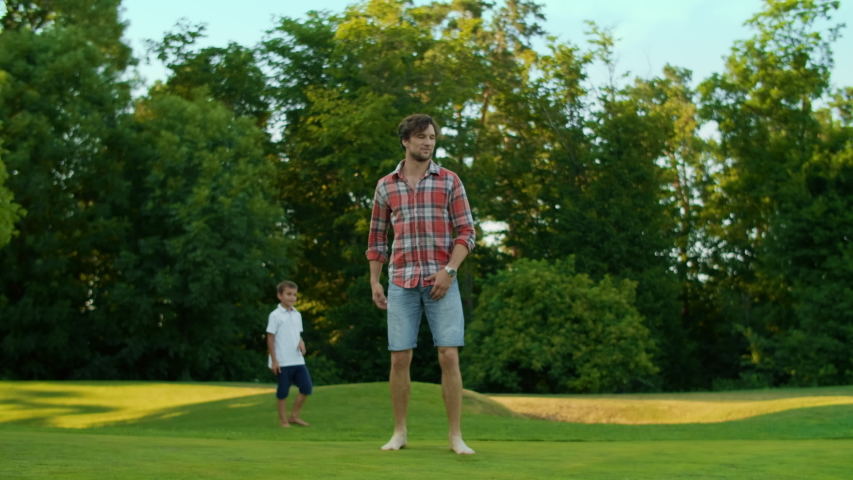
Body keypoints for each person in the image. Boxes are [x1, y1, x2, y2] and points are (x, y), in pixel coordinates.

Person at [366, 113, 476, 455]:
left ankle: (456, 436)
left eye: (431, 137)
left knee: (448, 356)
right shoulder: (386, 185)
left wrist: (450, 271)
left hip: (441, 281)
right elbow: (376, 238)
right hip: (400, 281)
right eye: (421, 137)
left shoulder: (449, 181)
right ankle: (399, 433)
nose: (428, 142)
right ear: (406, 141)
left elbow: (467, 232)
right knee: (399, 359)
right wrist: (374, 280)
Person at [266, 280, 312, 427]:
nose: (292, 297)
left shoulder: (297, 314)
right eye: (288, 294)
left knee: (306, 387)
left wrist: (302, 342)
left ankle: (294, 416)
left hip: (297, 359)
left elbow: (297, 333)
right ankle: (283, 421)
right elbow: (270, 338)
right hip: (282, 360)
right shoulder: (275, 315)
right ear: (280, 296)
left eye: (294, 295)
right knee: (283, 392)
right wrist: (274, 360)